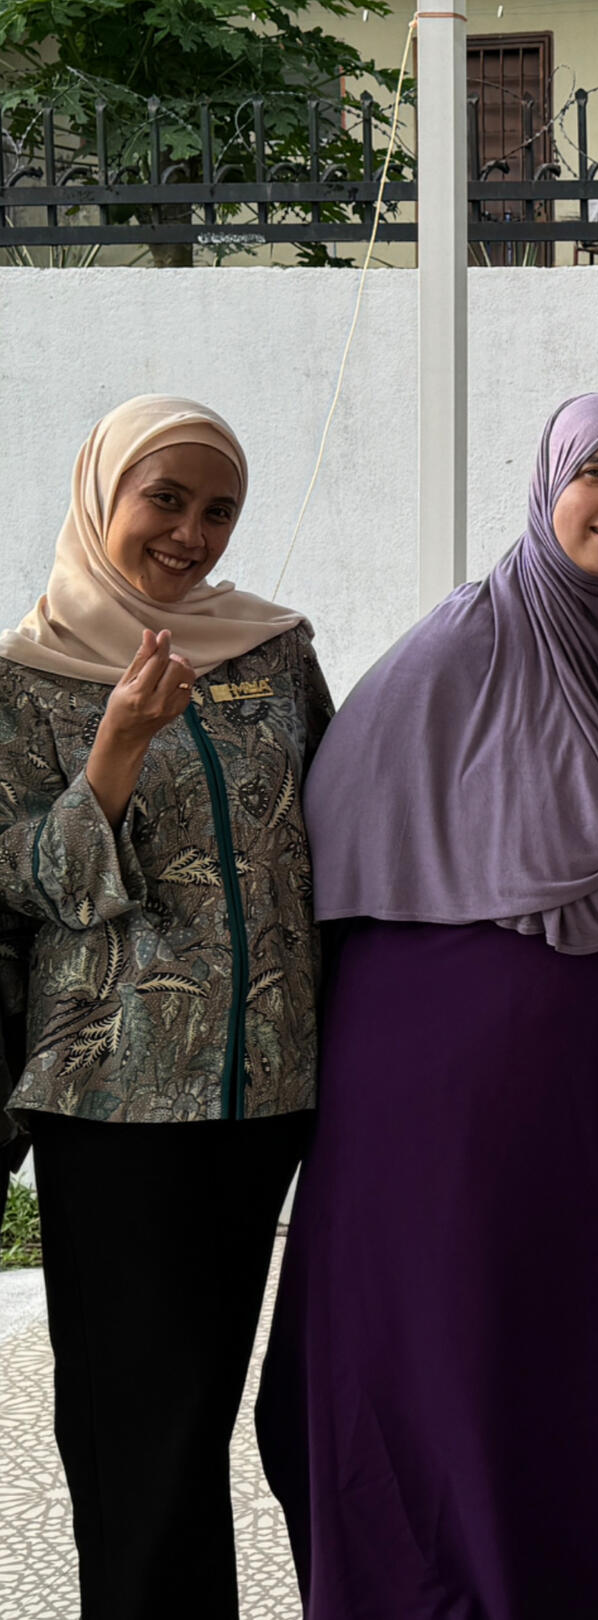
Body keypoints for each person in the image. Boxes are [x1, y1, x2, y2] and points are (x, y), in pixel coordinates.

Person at [254, 394, 598, 1618]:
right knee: (446, 1328)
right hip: (436, 1078)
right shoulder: (465, 640)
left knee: (584, 1323)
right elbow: (340, 830)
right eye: (596, 473)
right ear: (547, 486)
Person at [0, 395, 329, 1620]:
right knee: (137, 1426)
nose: (192, 533)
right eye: (167, 500)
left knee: (210, 1405)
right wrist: (114, 759)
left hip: (272, 1092)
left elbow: (342, 824)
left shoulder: (273, 653)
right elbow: (24, 881)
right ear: (106, 497)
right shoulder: (26, 677)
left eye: (219, 509)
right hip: (114, 1099)